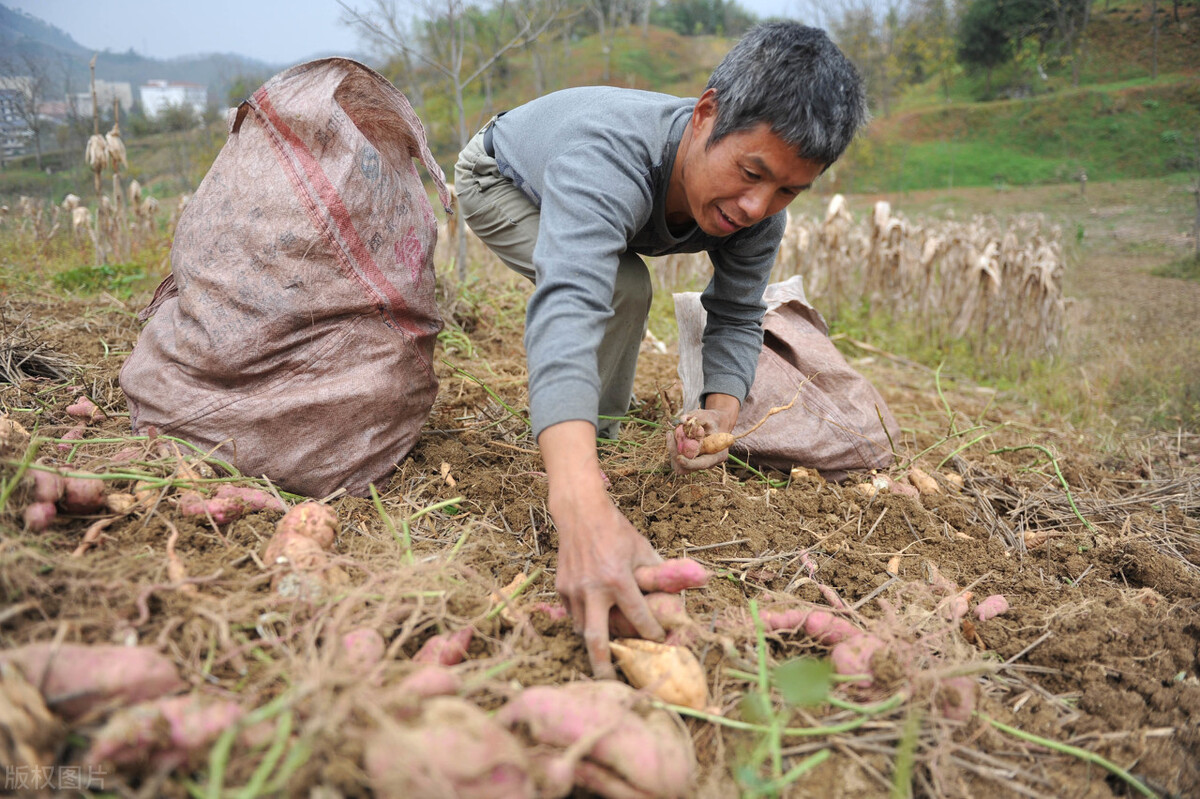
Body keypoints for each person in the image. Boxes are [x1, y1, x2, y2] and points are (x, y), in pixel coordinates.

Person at [453, 21, 867, 677]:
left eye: (787, 189)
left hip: (580, 180)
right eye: (751, 172)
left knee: (625, 283)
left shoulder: (760, 210)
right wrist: (578, 500)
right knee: (620, 285)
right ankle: (591, 455)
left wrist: (718, 418)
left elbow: (734, 312)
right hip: (501, 177)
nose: (757, 205)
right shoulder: (605, 156)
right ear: (706, 115)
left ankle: (593, 445)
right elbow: (570, 304)